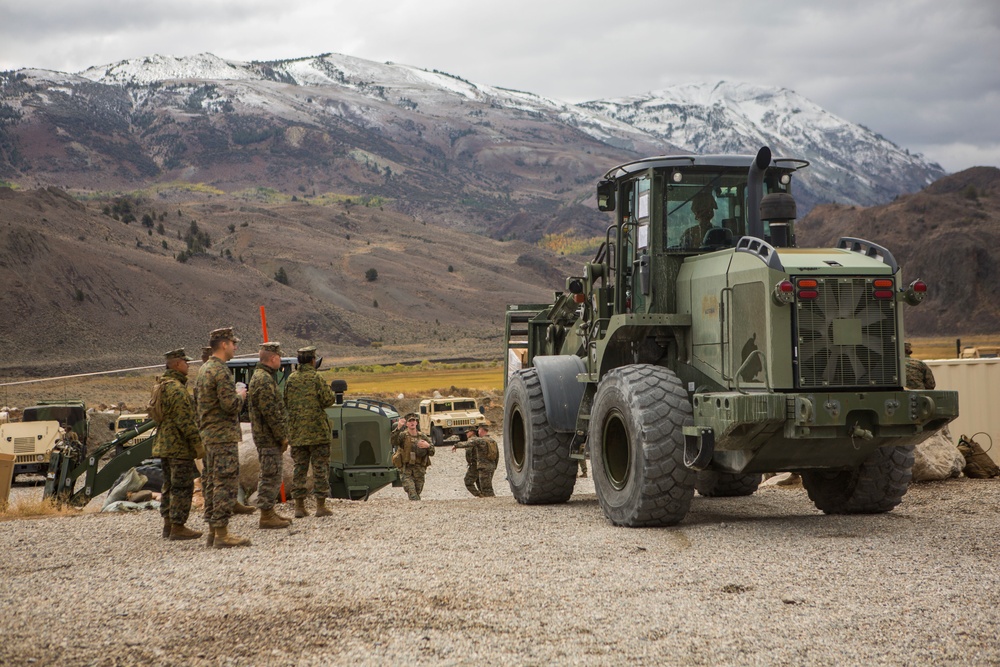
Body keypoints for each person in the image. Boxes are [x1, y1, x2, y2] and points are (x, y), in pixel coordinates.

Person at [195, 327, 251, 548]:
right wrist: (241, 396)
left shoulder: (204, 369)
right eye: (233, 343)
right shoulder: (220, 371)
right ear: (224, 344)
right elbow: (230, 405)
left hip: (209, 435)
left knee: (210, 481)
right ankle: (222, 533)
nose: (235, 347)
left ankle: (212, 529)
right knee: (224, 482)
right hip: (222, 436)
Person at [153, 348, 204, 541]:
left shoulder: (162, 385)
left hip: (164, 444)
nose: (188, 365)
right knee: (182, 486)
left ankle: (168, 523)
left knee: (169, 485)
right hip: (178, 446)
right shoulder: (176, 389)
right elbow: (186, 421)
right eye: (185, 362)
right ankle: (178, 526)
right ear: (176, 364)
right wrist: (198, 444)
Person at [284, 345, 336, 518]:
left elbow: (286, 401)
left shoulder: (291, 379)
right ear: (313, 360)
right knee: (320, 468)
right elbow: (328, 400)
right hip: (318, 433)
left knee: (299, 469)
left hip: (297, 433)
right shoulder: (316, 377)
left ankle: (299, 507)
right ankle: (320, 506)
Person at [248, 341, 292, 529]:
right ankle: (266, 515)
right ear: (273, 358)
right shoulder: (264, 380)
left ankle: (270, 511)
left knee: (272, 473)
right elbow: (271, 413)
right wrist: (282, 436)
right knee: (270, 474)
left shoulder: (264, 377)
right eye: (279, 357)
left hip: (267, 436)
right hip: (268, 437)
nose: (280, 360)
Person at [391, 412, 435, 500]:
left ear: (416, 423)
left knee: (417, 492)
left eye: (414, 420)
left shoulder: (422, 436)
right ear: (406, 423)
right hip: (406, 469)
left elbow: (432, 452)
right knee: (412, 493)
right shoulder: (403, 435)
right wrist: (398, 428)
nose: (412, 422)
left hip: (419, 469)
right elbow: (393, 441)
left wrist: (428, 446)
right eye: (410, 421)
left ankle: (416, 510)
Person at [454, 422, 498, 497]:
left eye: (479, 430)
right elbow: (497, 456)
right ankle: (484, 498)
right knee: (484, 486)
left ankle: (487, 500)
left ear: (481, 430)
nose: (478, 432)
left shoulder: (479, 440)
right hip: (490, 466)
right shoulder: (492, 441)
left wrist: (456, 445)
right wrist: (494, 466)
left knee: (486, 489)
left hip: (482, 467)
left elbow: (468, 447)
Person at [453, 425, 481, 497]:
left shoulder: (473, 440)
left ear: (472, 432)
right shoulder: (476, 439)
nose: (466, 434)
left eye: (467, 432)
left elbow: (467, 447)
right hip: (477, 464)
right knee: (479, 482)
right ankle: (484, 496)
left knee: (468, 481)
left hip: (475, 465)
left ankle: (480, 496)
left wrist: (456, 445)